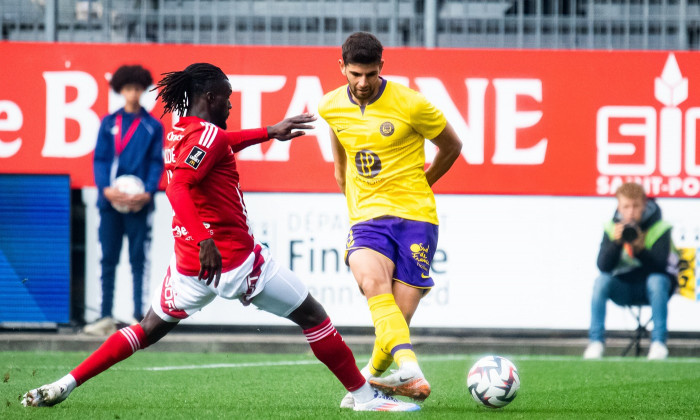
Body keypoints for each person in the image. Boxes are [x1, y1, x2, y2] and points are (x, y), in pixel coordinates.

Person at [22, 62, 420, 412]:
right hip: (235, 261)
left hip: (189, 272)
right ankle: (365, 397)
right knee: (314, 316)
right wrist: (204, 239)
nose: (230, 106)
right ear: (210, 97)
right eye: (227, 99)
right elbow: (177, 189)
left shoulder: (182, 132)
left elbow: (218, 146)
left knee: (143, 330)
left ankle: (64, 383)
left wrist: (268, 132)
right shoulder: (207, 136)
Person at [318, 32, 463, 407]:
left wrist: (424, 181)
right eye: (354, 74)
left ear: (382, 67)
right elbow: (340, 163)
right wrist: (354, 203)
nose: (362, 83)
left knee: (398, 315)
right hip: (368, 218)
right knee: (371, 283)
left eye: (369, 74)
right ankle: (411, 368)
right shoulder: (331, 106)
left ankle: (366, 382)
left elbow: (452, 146)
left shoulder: (412, 104)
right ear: (342, 69)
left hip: (416, 216)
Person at [86, 64, 164, 335]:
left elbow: (157, 162)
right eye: (128, 89)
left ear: (142, 90)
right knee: (108, 258)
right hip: (110, 203)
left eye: (137, 89)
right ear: (121, 90)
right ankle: (105, 316)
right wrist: (105, 189)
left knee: (137, 259)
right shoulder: (109, 123)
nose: (132, 94)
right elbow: (101, 159)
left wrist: (148, 192)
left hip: (139, 205)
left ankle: (137, 315)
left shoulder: (153, 126)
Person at [583, 182, 678, 360]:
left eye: (636, 206)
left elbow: (660, 267)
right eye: (626, 206)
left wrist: (639, 248)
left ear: (645, 204)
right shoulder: (612, 228)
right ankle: (595, 342)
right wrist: (616, 243)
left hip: (653, 289)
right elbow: (603, 266)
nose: (631, 212)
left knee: (657, 281)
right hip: (624, 287)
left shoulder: (660, 228)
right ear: (619, 206)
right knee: (601, 281)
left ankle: (658, 343)